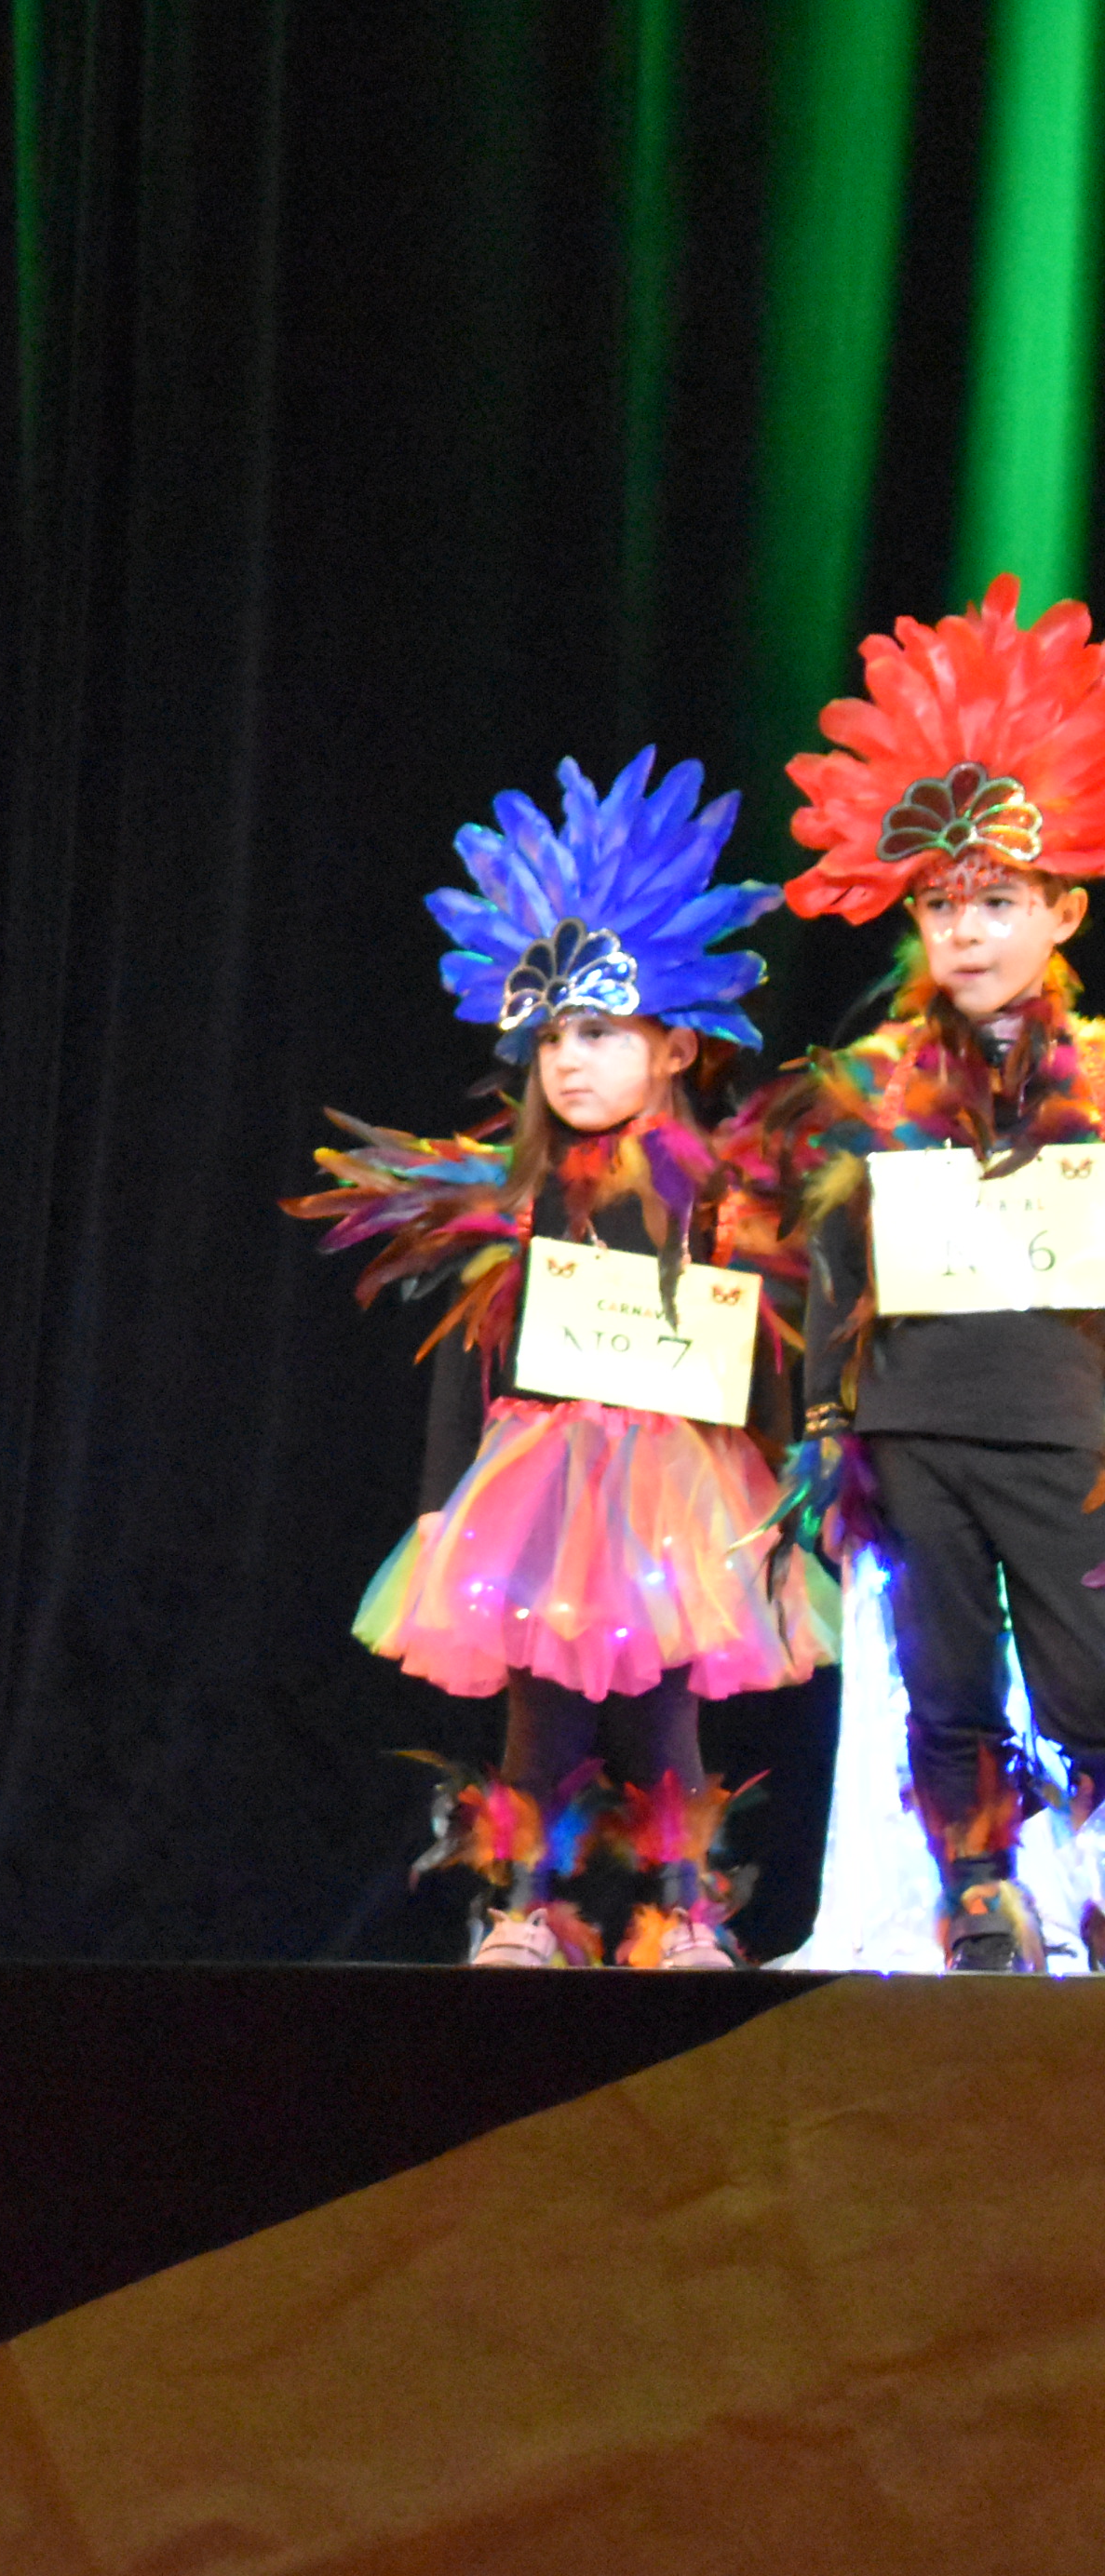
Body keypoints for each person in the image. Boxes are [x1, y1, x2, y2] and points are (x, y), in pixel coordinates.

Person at [293, 752, 823, 1969]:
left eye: (598, 1032)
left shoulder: (721, 1205)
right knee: (542, 1720)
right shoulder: (515, 1204)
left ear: (677, 1047)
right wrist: (439, 1502)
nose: (568, 1060)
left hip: (680, 1494)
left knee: (667, 1724)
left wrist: (779, 1509)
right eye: (549, 1040)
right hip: (538, 1491)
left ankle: (686, 1915)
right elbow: (463, 1365)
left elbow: (759, 1363)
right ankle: (521, 1910)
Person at [764, 577, 1105, 1973]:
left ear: (1062, 911)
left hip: (1068, 1431)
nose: (964, 930)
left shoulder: (1103, 1085)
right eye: (940, 903)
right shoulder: (872, 1087)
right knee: (946, 1679)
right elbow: (831, 1268)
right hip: (914, 1431)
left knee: (1091, 1684)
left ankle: (1088, 1867)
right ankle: (979, 1889)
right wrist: (826, 1429)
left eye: (997, 901)